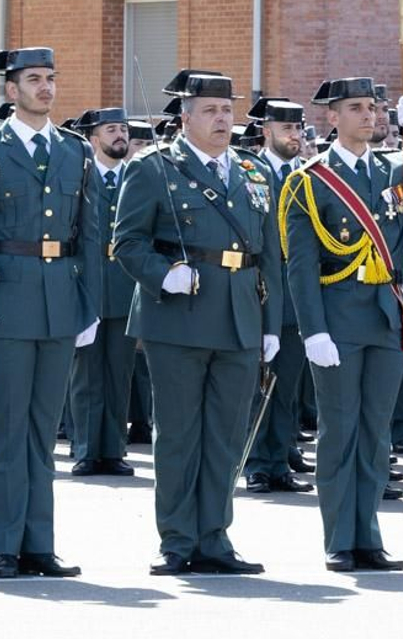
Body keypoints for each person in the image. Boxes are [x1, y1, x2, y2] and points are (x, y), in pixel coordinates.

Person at [281, 77, 403, 571]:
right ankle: (340, 539)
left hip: (385, 318)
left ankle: (368, 536)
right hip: (337, 322)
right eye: (357, 108)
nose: (370, 116)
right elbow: (300, 265)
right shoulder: (310, 180)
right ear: (332, 118)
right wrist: (312, 330)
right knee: (340, 432)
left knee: (376, 433)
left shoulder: (393, 168)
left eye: (374, 108)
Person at [112, 69, 281, 576]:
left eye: (227, 111)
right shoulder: (155, 168)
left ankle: (215, 537)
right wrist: (164, 275)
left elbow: (269, 255)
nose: (221, 119)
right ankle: (178, 538)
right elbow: (127, 243)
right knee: (181, 433)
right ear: (185, 118)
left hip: (238, 317)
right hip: (179, 317)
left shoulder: (254, 172)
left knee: (226, 436)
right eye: (209, 111)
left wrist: (271, 323)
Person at [0, 47, 102, 578]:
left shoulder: (75, 152)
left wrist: (90, 307)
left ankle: (40, 543)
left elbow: (91, 234)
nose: (46, 88)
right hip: (6, 299)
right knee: (9, 428)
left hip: (60, 299)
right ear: (11, 90)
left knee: (42, 429)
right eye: (34, 80)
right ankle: (6, 544)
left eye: (51, 79)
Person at [242, 96, 314, 495]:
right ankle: (255, 462)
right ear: (266, 131)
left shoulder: (306, 174)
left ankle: (279, 461)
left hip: (295, 294)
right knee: (257, 383)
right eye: (287, 129)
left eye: (298, 129)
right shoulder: (249, 171)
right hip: (258, 291)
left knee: (286, 385)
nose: (294, 136)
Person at [66, 107, 139, 479]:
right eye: (111, 130)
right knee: (86, 374)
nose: (120, 136)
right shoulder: (81, 175)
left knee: (118, 373)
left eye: (123, 129)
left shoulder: (136, 177)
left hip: (126, 287)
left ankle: (113, 449)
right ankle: (85, 449)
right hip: (88, 284)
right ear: (94, 139)